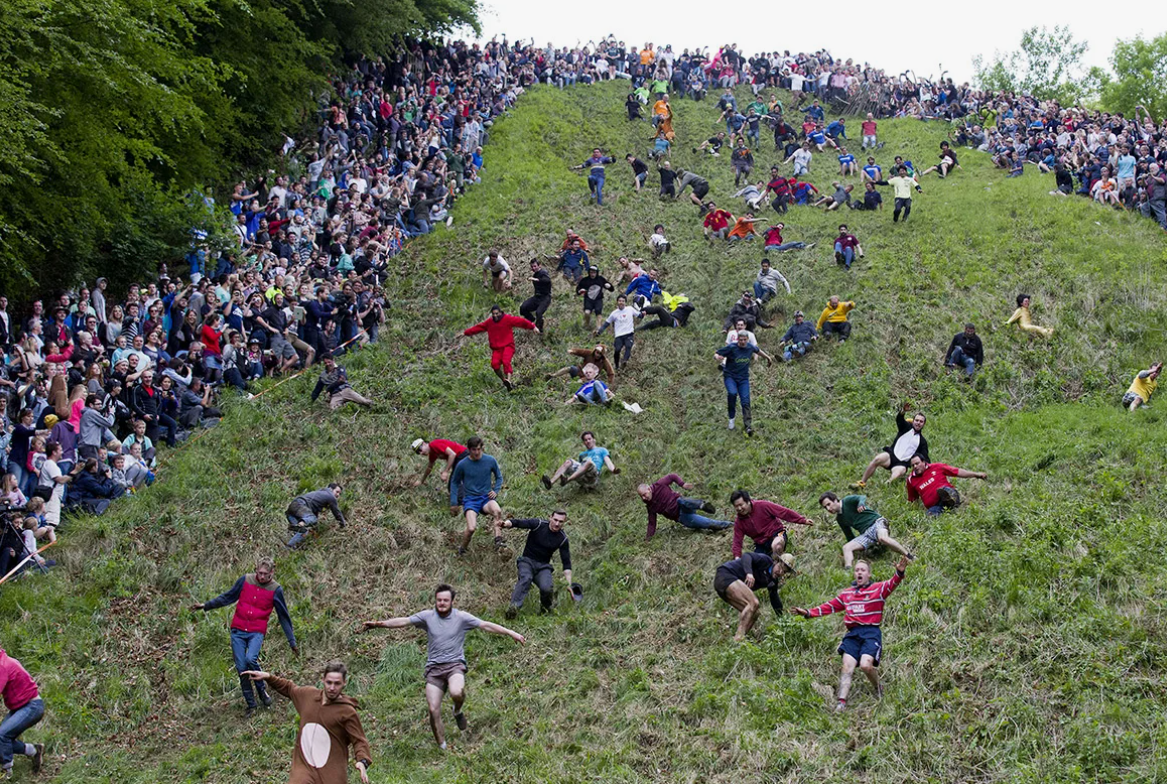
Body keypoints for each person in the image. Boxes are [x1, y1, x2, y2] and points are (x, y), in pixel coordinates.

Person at [358, 584, 525, 750]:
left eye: (445, 600)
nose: (442, 603)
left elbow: (486, 625)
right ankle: (442, 746)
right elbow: (404, 621)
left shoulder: (461, 617)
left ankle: (457, 710)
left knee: (456, 692)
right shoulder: (427, 617)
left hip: (454, 666)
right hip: (434, 669)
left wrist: (511, 632)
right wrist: (378, 624)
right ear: (435, 601)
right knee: (433, 709)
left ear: (452, 601)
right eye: (439, 600)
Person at [790, 555, 912, 712]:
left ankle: (878, 687)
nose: (859, 572)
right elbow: (829, 607)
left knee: (866, 666)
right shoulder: (847, 594)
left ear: (869, 574)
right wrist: (808, 612)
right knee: (847, 667)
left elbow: (892, 583)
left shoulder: (878, 589)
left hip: (871, 633)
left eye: (863, 570)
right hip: (853, 634)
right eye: (857, 570)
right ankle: (841, 703)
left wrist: (899, 573)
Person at [190, 557, 298, 715]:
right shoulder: (246, 580)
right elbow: (228, 597)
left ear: (272, 573)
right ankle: (251, 704)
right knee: (241, 668)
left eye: (265, 574)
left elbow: (283, 616)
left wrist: (292, 641)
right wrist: (206, 606)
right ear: (256, 570)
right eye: (259, 573)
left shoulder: (276, 589)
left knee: (250, 659)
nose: (261, 577)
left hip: (256, 631)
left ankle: (262, 691)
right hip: (238, 631)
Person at [239, 661, 371, 783]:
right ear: (323, 680)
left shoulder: (346, 711)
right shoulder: (308, 696)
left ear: (344, 683)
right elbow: (289, 688)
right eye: (329, 682)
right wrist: (268, 676)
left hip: (331, 771)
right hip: (304, 768)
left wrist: (362, 761)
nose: (332, 687)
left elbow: (359, 739)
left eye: (337, 684)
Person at [497, 510, 578, 617]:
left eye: (561, 522)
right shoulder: (538, 524)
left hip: (543, 567)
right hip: (527, 561)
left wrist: (569, 584)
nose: (557, 524)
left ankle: (545, 612)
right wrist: (505, 524)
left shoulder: (562, 539)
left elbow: (566, 563)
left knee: (547, 588)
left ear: (564, 523)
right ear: (550, 518)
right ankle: (513, 609)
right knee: (526, 578)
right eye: (555, 520)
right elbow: (519, 523)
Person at [714, 551, 795, 641]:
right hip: (725, 574)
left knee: (755, 613)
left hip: (727, 586)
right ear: (776, 562)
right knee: (754, 603)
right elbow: (747, 556)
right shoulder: (765, 561)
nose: (780, 572)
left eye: (784, 572)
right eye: (780, 567)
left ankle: (739, 640)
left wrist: (783, 619)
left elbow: (775, 599)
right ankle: (738, 637)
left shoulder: (772, 581)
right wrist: (749, 573)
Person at [819, 492, 913, 568]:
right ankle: (849, 571)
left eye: (829, 504)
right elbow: (849, 536)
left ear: (835, 500)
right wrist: (856, 547)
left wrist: (861, 504)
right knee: (846, 548)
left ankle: (909, 555)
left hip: (876, 522)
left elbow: (861, 497)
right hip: (866, 534)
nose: (828, 508)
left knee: (883, 538)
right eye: (825, 507)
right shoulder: (840, 519)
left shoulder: (847, 501)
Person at [448, 436, 503, 555]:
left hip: (486, 498)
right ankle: (462, 549)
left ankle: (498, 541)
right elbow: (454, 482)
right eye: (474, 449)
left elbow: (499, 477)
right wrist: (454, 502)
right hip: (470, 500)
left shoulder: (490, 460)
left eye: (479, 449)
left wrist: (496, 490)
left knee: (497, 511)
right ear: (469, 450)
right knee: (471, 528)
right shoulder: (463, 464)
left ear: (482, 448)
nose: (477, 452)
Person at [462, 305, 539, 391]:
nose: (495, 316)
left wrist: (533, 326)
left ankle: (509, 380)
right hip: (496, 349)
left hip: (508, 346)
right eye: (493, 314)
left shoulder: (507, 319)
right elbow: (478, 328)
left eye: (497, 314)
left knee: (506, 361)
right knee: (494, 364)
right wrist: (465, 333)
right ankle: (504, 381)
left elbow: (520, 321)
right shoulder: (489, 323)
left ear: (500, 312)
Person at [852, 403, 928, 489]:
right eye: (917, 420)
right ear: (913, 421)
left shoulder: (922, 441)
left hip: (902, 463)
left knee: (898, 472)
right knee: (877, 459)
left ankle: (886, 485)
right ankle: (862, 482)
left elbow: (925, 457)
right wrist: (903, 411)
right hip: (891, 455)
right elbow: (899, 419)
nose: (918, 423)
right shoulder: (906, 427)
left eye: (921, 421)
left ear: (924, 424)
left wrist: (929, 470)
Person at [638, 473, 731, 540]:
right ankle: (729, 525)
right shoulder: (650, 507)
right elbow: (652, 523)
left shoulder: (659, 484)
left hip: (682, 504)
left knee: (681, 501)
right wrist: (648, 538)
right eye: (641, 496)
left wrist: (683, 484)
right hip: (681, 517)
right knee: (707, 523)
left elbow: (672, 476)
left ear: (649, 489)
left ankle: (702, 505)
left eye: (644, 494)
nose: (644, 497)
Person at [715, 330, 774, 435]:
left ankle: (748, 426)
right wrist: (718, 357)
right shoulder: (732, 347)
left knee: (745, 401)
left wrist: (768, 358)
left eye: (744, 340)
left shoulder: (750, 347)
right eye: (740, 340)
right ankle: (731, 418)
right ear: (738, 339)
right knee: (732, 394)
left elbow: (758, 350)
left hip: (743, 379)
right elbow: (717, 353)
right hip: (730, 377)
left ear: (747, 340)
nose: (742, 342)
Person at [0, 649, 45, 777]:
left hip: (32, 706)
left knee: (2, 735)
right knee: (2, 740)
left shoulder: (3, 665)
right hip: (20, 708)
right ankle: (34, 750)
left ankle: (7, 771)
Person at [729, 489, 812, 558]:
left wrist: (802, 520)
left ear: (748, 501)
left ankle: (781, 563)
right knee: (755, 563)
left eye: (741, 505)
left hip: (777, 533)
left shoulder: (763, 505)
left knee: (776, 545)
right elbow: (737, 541)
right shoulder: (739, 522)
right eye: (736, 506)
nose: (739, 508)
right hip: (761, 544)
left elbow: (783, 512)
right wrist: (737, 557)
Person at [906, 454, 987, 516]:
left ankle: (951, 501)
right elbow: (913, 500)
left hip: (948, 492)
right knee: (930, 515)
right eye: (913, 465)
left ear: (923, 462)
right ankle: (946, 509)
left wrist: (976, 474)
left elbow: (957, 472)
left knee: (943, 490)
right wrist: (915, 513)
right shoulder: (911, 480)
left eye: (917, 463)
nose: (915, 467)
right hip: (935, 506)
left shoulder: (937, 467)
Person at [541, 430, 618, 490]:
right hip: (582, 478)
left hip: (593, 477)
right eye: (585, 440)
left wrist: (613, 470)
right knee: (568, 461)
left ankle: (567, 480)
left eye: (589, 439)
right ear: (584, 443)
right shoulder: (582, 454)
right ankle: (550, 483)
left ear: (594, 440)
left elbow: (608, 461)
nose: (588, 441)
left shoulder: (602, 450)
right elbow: (580, 468)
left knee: (589, 462)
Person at [286, 483, 346, 549]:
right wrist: (343, 525)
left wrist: (315, 529)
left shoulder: (319, 494)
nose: (338, 495)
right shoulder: (330, 496)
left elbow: (314, 513)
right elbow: (337, 513)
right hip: (301, 505)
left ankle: (288, 548)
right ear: (331, 489)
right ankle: (301, 523)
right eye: (337, 492)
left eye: (339, 493)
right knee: (313, 519)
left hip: (292, 509)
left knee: (303, 531)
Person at [595, 294, 639, 371]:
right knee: (617, 350)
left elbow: (639, 315)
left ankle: (624, 361)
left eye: (623, 301)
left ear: (625, 302)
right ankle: (617, 366)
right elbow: (606, 323)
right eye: (619, 301)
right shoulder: (614, 313)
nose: (621, 302)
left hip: (629, 333)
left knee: (628, 346)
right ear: (617, 302)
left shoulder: (630, 309)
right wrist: (599, 332)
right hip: (619, 335)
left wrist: (643, 313)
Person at [546, 345, 615, 385]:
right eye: (597, 352)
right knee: (569, 368)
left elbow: (611, 373)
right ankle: (553, 376)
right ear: (595, 351)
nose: (597, 355)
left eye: (600, 354)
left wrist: (609, 383)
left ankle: (569, 385)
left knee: (579, 382)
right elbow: (580, 351)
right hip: (580, 371)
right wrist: (572, 351)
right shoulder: (589, 354)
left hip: (588, 378)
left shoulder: (604, 361)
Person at [576, 265, 614, 331]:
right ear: (589, 272)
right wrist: (580, 291)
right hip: (588, 299)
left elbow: (611, 289)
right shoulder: (585, 280)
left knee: (598, 312)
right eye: (591, 272)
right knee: (587, 312)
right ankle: (587, 324)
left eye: (594, 272)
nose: (592, 274)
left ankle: (598, 328)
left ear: (597, 273)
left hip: (598, 299)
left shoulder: (600, 279)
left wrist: (609, 286)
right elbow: (578, 290)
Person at [519, 258, 553, 333]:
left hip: (545, 298)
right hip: (537, 297)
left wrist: (536, 279)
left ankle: (540, 330)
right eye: (532, 267)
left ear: (539, 266)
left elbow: (547, 280)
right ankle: (532, 320)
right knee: (523, 308)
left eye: (535, 266)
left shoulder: (543, 272)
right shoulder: (535, 274)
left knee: (539, 312)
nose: (533, 268)